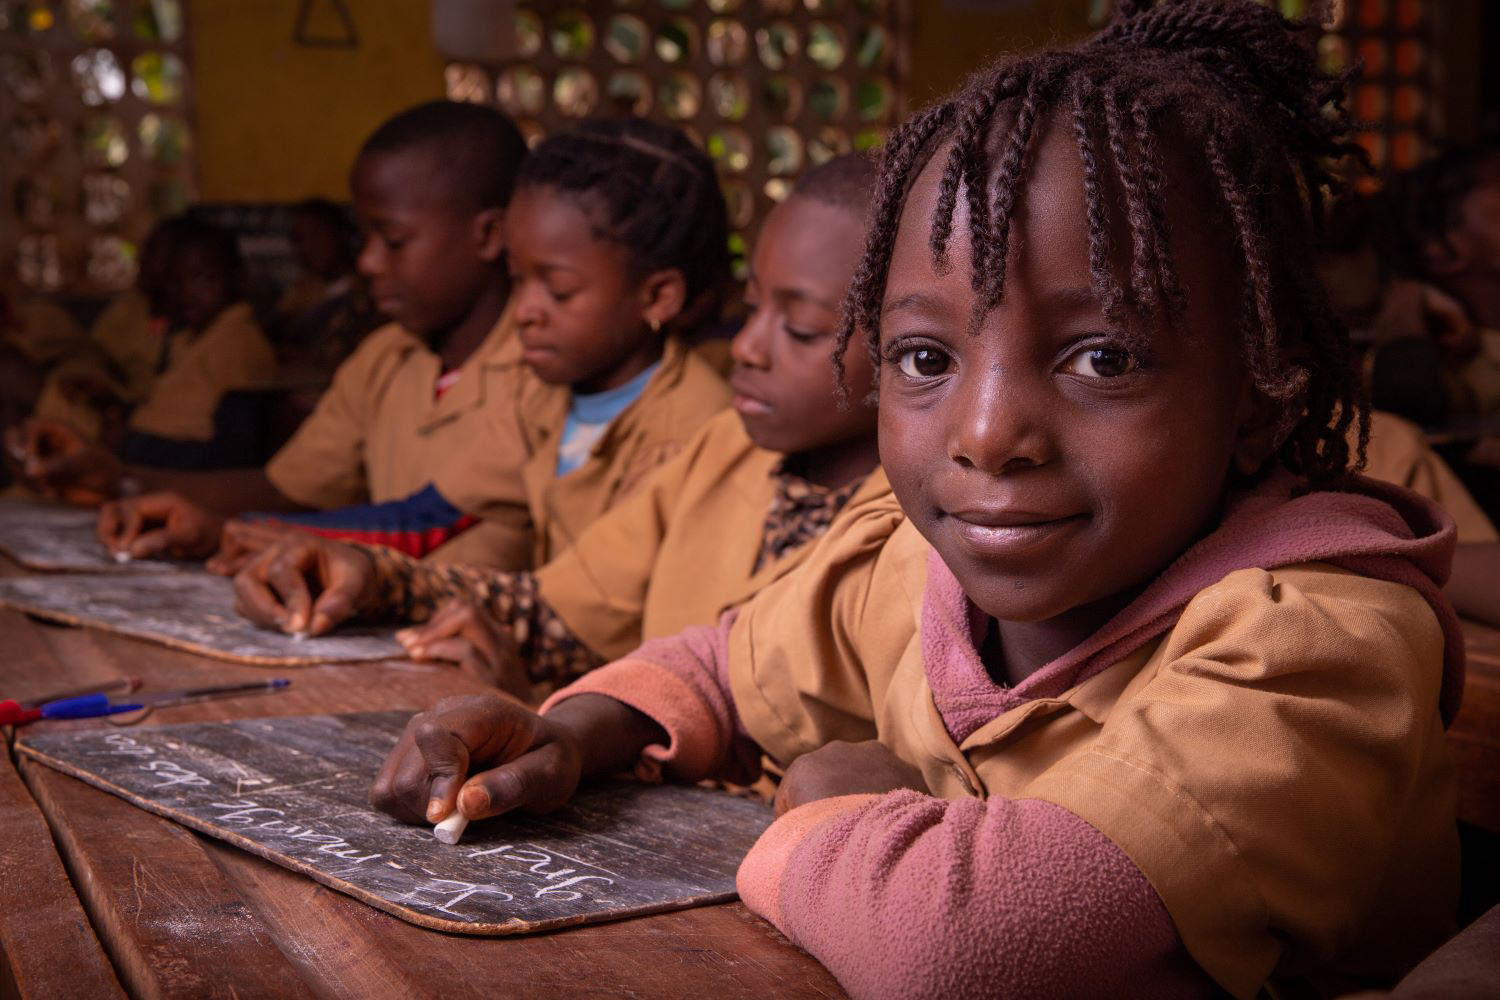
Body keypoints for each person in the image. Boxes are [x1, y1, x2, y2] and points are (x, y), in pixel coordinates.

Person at [368, 4, 1464, 997]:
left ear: (1262, 398)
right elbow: (726, 662)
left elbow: (963, 948)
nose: (987, 434)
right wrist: (573, 733)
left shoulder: (1313, 640)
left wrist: (831, 797)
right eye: (926, 355)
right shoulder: (910, 561)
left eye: (1104, 357)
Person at [229, 154, 882, 700]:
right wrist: (377, 579)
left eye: (798, 328)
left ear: (913, 348)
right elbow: (560, 612)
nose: (746, 346)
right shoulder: (730, 450)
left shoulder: (922, 534)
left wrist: (547, 709)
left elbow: (761, 744)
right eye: (752, 308)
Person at [127, 117, 734, 574]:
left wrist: (391, 584)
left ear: (658, 298)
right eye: (522, 282)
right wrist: (249, 530)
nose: (525, 311)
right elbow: (423, 517)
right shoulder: (549, 399)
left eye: (560, 289)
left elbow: (581, 609)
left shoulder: (694, 431)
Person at [52, 102, 532, 564]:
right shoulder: (388, 356)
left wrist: (235, 533)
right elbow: (290, 490)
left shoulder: (541, 370)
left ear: (489, 236)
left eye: (394, 241)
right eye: (363, 239)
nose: (367, 262)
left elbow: (427, 528)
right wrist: (124, 481)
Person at [7, 219, 276, 504]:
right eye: (178, 282)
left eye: (204, 279)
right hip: (137, 453)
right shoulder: (193, 337)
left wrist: (128, 447)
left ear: (238, 278)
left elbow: (231, 455)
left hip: (165, 473)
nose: (189, 293)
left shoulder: (237, 340)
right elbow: (170, 406)